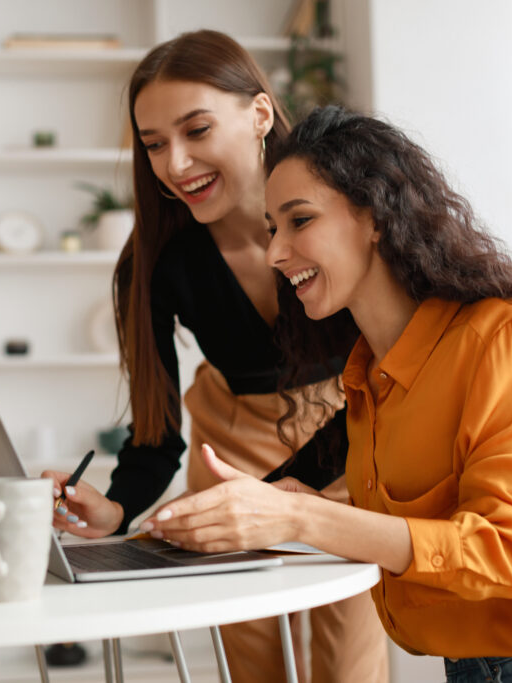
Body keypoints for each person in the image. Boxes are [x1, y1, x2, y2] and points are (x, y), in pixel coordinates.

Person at [138, 105, 512, 682]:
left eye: (299, 220)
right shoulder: (370, 380)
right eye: (273, 229)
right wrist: (277, 510)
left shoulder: (498, 337)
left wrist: (300, 516)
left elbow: (508, 554)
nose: (274, 252)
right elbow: (426, 527)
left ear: (375, 217)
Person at [41, 32, 389, 683]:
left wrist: (299, 488)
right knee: (254, 666)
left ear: (261, 115)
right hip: (233, 452)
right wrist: (116, 507)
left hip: (356, 434)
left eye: (196, 130)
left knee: (351, 665)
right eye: (152, 144)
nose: (175, 163)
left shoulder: (344, 218)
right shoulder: (155, 266)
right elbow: (156, 431)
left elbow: (394, 373)